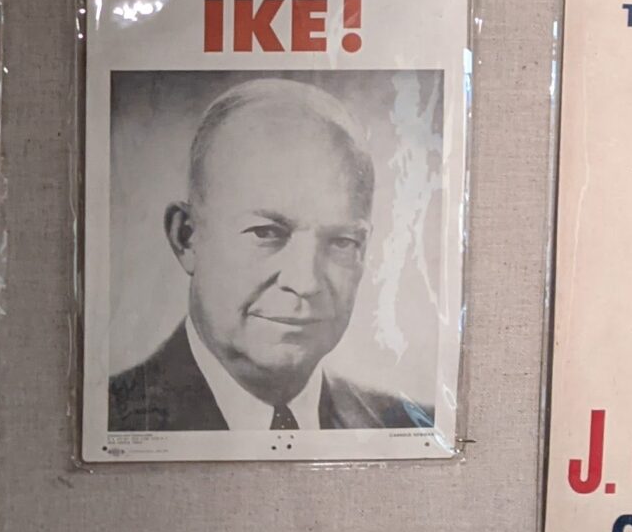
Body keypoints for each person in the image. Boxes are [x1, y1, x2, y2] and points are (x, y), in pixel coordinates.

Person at [108, 76, 428, 433]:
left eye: (341, 241)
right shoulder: (108, 421)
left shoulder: (408, 427)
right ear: (187, 237)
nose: (305, 283)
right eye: (266, 233)